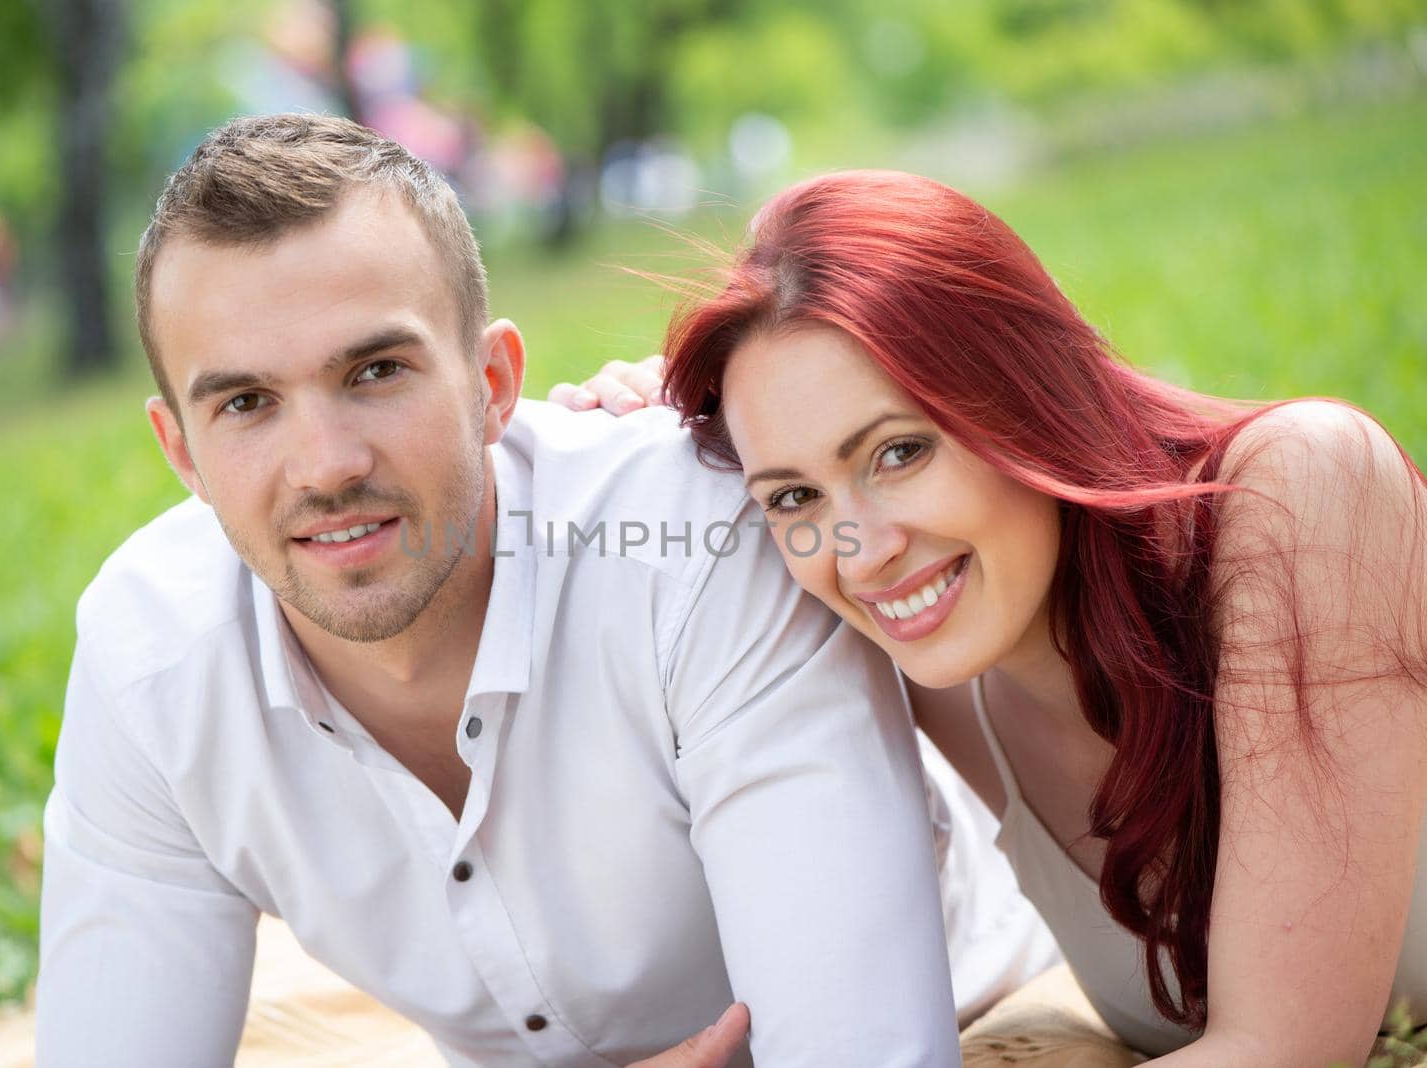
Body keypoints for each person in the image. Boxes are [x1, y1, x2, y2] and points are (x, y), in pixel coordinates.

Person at [33, 119, 1057, 1067]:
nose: (325, 465)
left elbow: (862, 1052)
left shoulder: (698, 542)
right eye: (247, 403)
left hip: (989, 1006)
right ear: (182, 452)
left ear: (492, 381)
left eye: (377, 372)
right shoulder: (150, 658)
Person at [550, 169, 1427, 1068]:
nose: (861, 554)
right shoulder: (934, 668)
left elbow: (1285, 1050)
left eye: (898, 451)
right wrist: (635, 460)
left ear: (1026, 391)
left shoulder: (1305, 493)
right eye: (795, 495)